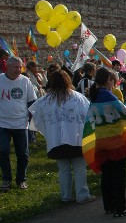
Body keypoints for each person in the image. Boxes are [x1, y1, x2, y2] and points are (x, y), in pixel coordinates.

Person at [29, 70, 96, 203]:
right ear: (67, 81)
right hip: (76, 139)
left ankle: (66, 196)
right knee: (79, 168)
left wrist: (49, 133)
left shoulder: (44, 101)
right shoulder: (77, 97)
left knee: (63, 169)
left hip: (56, 141)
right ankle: (82, 195)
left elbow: (37, 118)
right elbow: (88, 116)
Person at [87, 68, 126, 217]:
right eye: (113, 81)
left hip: (101, 142)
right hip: (114, 142)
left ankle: (109, 206)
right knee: (118, 176)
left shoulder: (94, 97)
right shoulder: (109, 96)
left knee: (107, 175)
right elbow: (124, 110)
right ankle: (120, 208)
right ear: (108, 80)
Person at [0, 57, 38, 192]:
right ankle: (6, 179)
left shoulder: (25, 81)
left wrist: (31, 119)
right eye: (16, 67)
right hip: (2, 123)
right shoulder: (0, 80)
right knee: (3, 151)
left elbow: (31, 101)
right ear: (8, 66)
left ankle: (21, 179)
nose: (18, 70)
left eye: (20, 67)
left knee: (22, 154)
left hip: (21, 124)